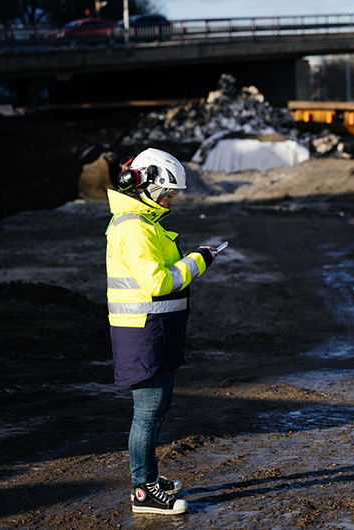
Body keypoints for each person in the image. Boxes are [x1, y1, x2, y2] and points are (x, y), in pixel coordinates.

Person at [105, 147, 219, 515]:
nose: (171, 200)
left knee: (159, 406)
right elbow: (156, 281)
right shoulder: (132, 227)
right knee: (148, 412)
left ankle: (150, 477)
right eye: (167, 192)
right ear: (143, 185)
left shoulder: (146, 223)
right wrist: (198, 261)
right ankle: (143, 490)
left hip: (156, 330)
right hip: (142, 334)